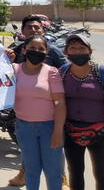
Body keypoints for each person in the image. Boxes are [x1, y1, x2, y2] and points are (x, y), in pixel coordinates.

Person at [13, 35, 66, 190]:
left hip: (49, 128)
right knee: (31, 171)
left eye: (41, 49)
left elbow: (60, 103)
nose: (36, 51)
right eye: (32, 48)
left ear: (46, 52)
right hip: (24, 128)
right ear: (24, 49)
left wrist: (57, 132)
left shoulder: (51, 72)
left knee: (53, 172)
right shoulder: (14, 70)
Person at [59, 34, 104, 190]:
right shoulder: (62, 72)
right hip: (71, 133)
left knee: (102, 175)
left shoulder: (101, 72)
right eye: (73, 48)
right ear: (66, 52)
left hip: (100, 133)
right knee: (75, 173)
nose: (77, 52)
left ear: (90, 51)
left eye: (82, 48)